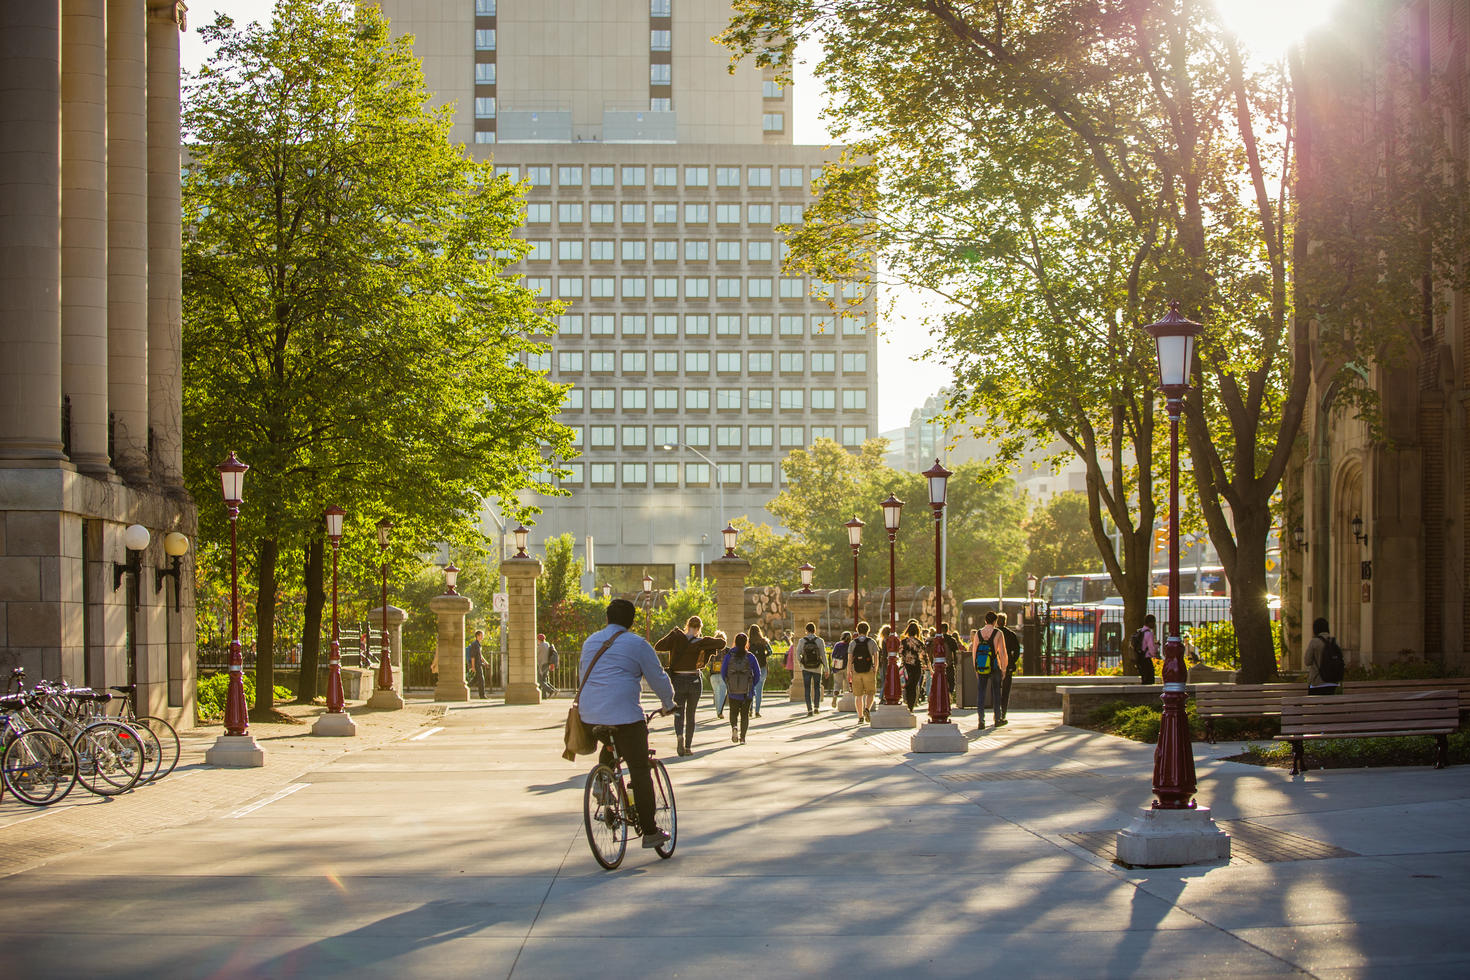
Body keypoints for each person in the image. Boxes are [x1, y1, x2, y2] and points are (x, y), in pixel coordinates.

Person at [579, 598, 676, 848]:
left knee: (611, 742)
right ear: (631, 621)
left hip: (589, 716)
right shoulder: (637, 644)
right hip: (625, 717)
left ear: (607, 619)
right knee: (640, 770)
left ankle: (603, 780)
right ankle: (651, 831)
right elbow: (657, 676)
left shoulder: (591, 641)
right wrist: (668, 702)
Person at [653, 615, 725, 755]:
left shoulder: (676, 639)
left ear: (687, 626)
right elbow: (721, 643)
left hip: (678, 679)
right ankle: (688, 747)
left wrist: (673, 634)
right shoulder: (700, 642)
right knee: (691, 714)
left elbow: (658, 646)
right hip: (694, 680)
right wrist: (705, 640)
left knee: (679, 712)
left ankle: (679, 736)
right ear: (699, 628)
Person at [721, 632, 761, 744]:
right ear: (746, 643)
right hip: (747, 691)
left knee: (733, 712)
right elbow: (758, 674)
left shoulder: (729, 656)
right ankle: (742, 738)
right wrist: (752, 684)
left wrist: (728, 683)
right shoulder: (751, 657)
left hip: (733, 690)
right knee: (744, 715)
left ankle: (734, 726)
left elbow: (723, 672)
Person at [975, 612, 1007, 728]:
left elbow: (975, 652)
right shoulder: (998, 633)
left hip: (982, 666)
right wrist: (1003, 668)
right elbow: (1002, 652)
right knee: (996, 693)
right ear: (995, 621)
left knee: (981, 693)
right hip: (994, 665)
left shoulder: (978, 633)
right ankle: (997, 718)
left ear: (985, 620)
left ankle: (981, 721)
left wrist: (976, 668)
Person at [847, 621, 879, 723]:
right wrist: (875, 669)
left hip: (856, 671)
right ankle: (867, 709)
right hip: (868, 670)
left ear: (857, 630)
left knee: (858, 695)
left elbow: (849, 659)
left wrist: (849, 672)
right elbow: (876, 657)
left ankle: (860, 717)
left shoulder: (853, 643)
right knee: (871, 693)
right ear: (868, 631)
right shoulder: (872, 642)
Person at [795, 622, 828, 715]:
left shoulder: (802, 641)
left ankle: (809, 709)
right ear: (815, 630)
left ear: (806, 631)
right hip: (817, 668)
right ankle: (816, 707)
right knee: (817, 687)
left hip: (806, 668)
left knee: (807, 688)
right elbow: (823, 655)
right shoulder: (820, 641)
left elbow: (797, 654)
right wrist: (826, 668)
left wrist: (802, 663)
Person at [1303, 617, 1341, 695]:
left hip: (1317, 682)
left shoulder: (1314, 642)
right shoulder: (1334, 642)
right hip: (1333, 682)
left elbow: (1307, 661)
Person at [996, 613, 1021, 722]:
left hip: (996, 665)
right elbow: (1017, 651)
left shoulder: (994, 634)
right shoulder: (1011, 634)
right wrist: (1011, 661)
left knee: (996, 690)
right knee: (1005, 691)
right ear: (1005, 622)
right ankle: (1003, 714)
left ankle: (996, 714)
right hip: (1008, 666)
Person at [899, 621, 926, 711]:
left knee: (907, 686)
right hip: (916, 667)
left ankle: (907, 703)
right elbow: (923, 655)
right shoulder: (919, 643)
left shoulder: (903, 642)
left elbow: (900, 653)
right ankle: (911, 707)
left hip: (907, 667)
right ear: (917, 631)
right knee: (914, 687)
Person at [748, 624, 773, 717]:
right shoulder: (764, 641)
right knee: (759, 690)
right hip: (762, 667)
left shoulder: (749, 642)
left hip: (751, 668)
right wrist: (764, 656)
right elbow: (771, 652)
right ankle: (757, 711)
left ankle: (750, 709)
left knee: (751, 689)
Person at [708, 631, 730, 719]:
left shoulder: (711, 650)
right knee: (722, 694)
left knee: (716, 694)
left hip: (713, 675)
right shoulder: (728, 650)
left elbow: (708, 662)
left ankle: (718, 711)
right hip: (723, 675)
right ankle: (720, 711)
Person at [1132, 615, 1158, 685]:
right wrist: (1156, 649)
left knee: (1144, 678)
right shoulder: (1149, 633)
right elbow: (1151, 649)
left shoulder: (1140, 631)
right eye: (1153, 622)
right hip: (1146, 658)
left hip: (1139, 658)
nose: (1154, 624)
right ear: (1150, 622)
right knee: (1150, 679)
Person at [829, 630, 851, 708]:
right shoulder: (850, 645)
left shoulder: (837, 645)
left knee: (837, 684)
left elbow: (833, 655)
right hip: (847, 667)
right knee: (847, 685)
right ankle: (845, 700)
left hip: (837, 666)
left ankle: (835, 696)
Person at [465, 629, 487, 699]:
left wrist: (485, 662)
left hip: (479, 664)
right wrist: (473, 666)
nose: (482, 637)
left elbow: (480, 655)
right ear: (477, 636)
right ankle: (482, 695)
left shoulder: (478, 644)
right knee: (481, 679)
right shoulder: (474, 644)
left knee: (476, 679)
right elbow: (473, 656)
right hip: (476, 665)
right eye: (481, 635)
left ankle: (466, 687)